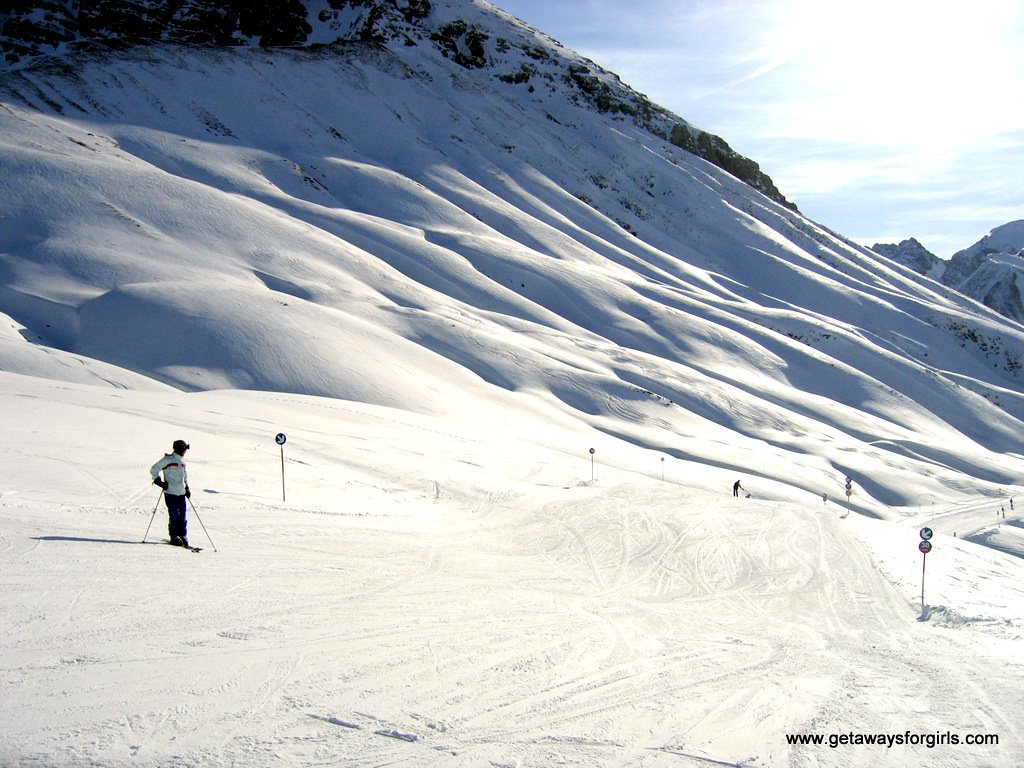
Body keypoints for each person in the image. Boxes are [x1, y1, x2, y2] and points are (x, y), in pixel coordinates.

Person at [151, 440, 191, 547]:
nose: (185, 451)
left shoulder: (182, 462)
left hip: (181, 493)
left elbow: (185, 476)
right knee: (174, 515)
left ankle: (183, 535)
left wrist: (187, 488)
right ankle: (174, 536)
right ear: (178, 449)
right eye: (184, 449)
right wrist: (160, 482)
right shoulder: (167, 460)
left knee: (182, 516)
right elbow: (154, 470)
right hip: (170, 493)